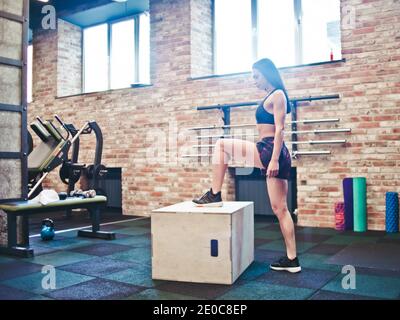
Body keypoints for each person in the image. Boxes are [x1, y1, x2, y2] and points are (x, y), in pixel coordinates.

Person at [192, 58, 301, 273]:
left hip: (271, 149)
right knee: (280, 208)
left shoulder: (278, 94)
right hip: (271, 150)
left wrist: (274, 159)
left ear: (267, 74)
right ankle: (292, 259)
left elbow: (280, 130)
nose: (253, 80)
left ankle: (214, 194)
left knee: (221, 145)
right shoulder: (272, 96)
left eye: (256, 76)